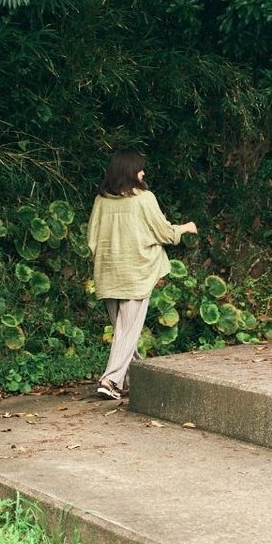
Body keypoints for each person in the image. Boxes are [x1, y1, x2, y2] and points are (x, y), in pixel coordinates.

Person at [87, 150, 197, 400]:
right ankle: (111, 380)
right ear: (130, 171)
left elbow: (92, 240)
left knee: (124, 331)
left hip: (108, 271)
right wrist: (186, 228)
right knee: (128, 330)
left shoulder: (101, 200)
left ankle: (133, 379)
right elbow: (164, 233)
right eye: (140, 168)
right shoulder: (144, 199)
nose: (143, 172)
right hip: (135, 272)